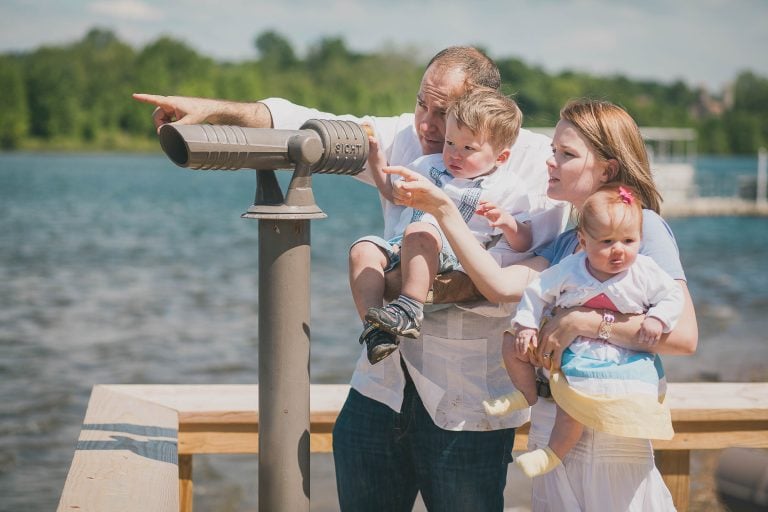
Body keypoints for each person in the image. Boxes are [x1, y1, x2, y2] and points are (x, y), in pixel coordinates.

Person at [134, 46, 569, 511]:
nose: (425, 123)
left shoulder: (537, 164)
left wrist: (404, 282)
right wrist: (214, 111)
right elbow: (302, 119)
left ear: (478, 108)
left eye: (442, 113)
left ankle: (392, 315)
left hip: (467, 401)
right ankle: (379, 329)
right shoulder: (408, 136)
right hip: (380, 386)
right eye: (422, 103)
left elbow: (513, 275)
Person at [385, 98, 698, 511]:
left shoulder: (643, 227)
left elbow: (684, 337)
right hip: (556, 428)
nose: (550, 163)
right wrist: (443, 210)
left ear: (608, 169)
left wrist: (583, 322)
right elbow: (498, 285)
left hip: (608, 433)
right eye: (553, 151)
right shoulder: (569, 240)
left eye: (566, 154)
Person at [488, 183, 684, 479]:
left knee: (570, 412)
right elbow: (536, 291)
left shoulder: (643, 271)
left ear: (640, 239)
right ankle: (524, 394)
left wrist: (657, 318)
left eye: (629, 241)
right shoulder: (572, 267)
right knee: (510, 341)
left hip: (613, 357)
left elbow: (673, 297)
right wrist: (527, 325)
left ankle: (552, 454)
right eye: (606, 242)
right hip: (572, 352)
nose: (619, 250)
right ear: (583, 241)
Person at [355, 88, 532, 364]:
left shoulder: (507, 187)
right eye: (450, 143)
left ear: (500, 157)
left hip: (451, 256)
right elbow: (393, 194)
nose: (454, 154)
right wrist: (376, 158)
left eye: (468, 148)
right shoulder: (429, 165)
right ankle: (376, 330)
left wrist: (508, 223)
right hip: (401, 244)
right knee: (362, 250)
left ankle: (410, 309)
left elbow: (524, 242)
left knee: (422, 230)